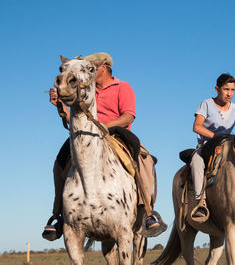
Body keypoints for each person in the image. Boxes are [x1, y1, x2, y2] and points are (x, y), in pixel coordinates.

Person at [43, 53, 160, 240]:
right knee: (59, 163)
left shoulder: (123, 87)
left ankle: (147, 211)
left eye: (91, 68)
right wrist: (61, 107)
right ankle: (58, 215)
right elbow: (72, 116)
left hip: (115, 132)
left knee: (144, 159)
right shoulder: (85, 88)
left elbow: (128, 116)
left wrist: (104, 127)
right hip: (86, 134)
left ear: (103, 67)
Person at [190, 73, 235, 218]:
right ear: (217, 89)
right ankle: (200, 202)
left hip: (229, 144)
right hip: (207, 144)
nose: (229, 93)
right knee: (196, 161)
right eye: (226, 89)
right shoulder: (206, 104)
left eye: (232, 90)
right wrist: (216, 137)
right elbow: (197, 127)